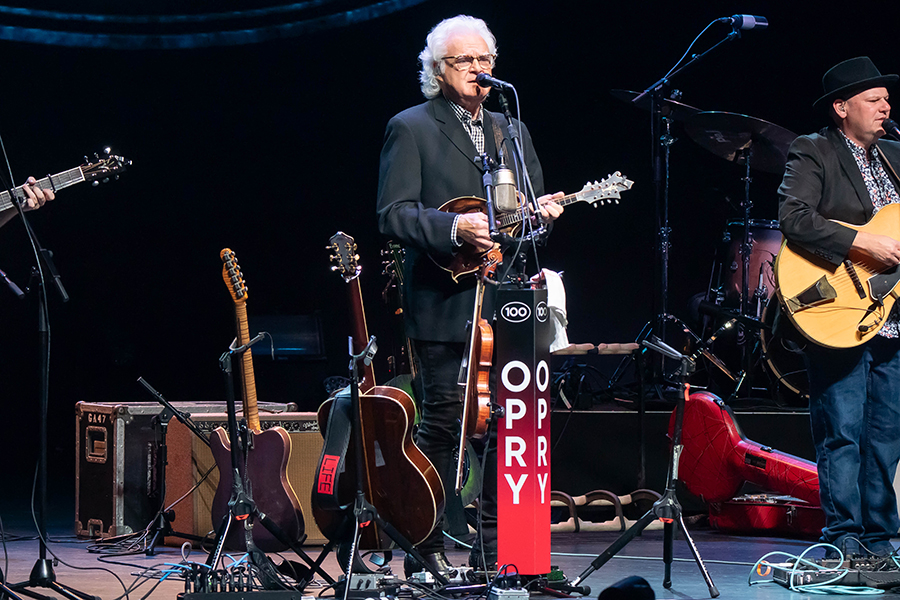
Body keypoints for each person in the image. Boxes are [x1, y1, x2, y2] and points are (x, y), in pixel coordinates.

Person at [376, 15, 563, 575]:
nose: (478, 69)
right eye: (465, 60)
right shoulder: (411, 127)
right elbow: (392, 214)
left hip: (508, 304)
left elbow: (526, 223)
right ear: (438, 69)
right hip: (443, 302)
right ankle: (425, 549)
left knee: (509, 431)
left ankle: (499, 556)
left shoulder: (512, 130)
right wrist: (455, 228)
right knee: (443, 425)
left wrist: (541, 217)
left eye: (485, 60)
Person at [779, 56, 900, 558]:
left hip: (892, 317)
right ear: (842, 107)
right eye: (873, 99)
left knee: (886, 436)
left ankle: (881, 539)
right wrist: (861, 243)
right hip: (838, 307)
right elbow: (794, 217)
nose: (885, 106)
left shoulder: (895, 155)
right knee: (842, 432)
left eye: (886, 99)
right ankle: (844, 539)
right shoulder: (815, 149)